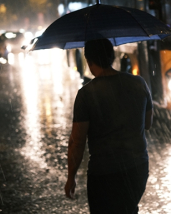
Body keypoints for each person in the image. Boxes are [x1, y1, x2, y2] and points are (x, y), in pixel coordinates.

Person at [64, 38, 153, 214]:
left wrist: (71, 177)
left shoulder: (86, 94)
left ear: (89, 61)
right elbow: (147, 124)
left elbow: (77, 141)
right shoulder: (139, 83)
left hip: (105, 174)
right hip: (138, 168)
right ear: (112, 57)